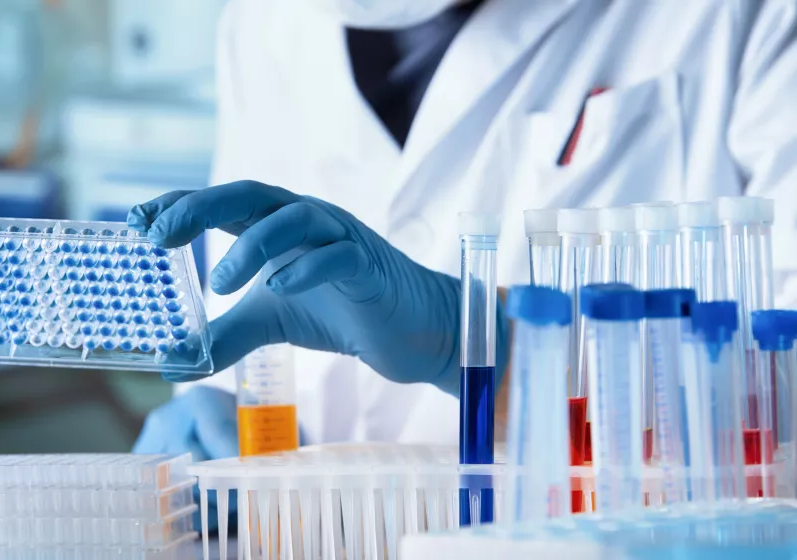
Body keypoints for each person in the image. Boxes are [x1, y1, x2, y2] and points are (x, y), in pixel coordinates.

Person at [131, 0, 797, 490]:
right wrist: (224, 411)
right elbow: (248, 282)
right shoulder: (260, 23)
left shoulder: (748, 17)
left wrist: (482, 347)